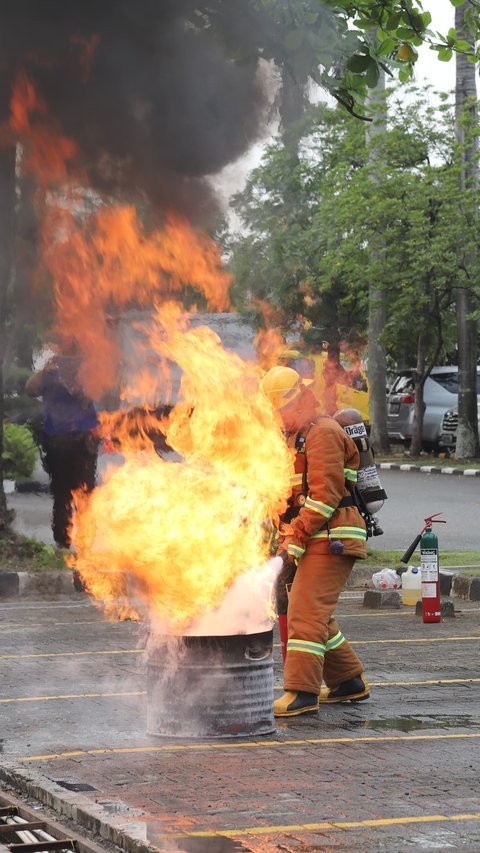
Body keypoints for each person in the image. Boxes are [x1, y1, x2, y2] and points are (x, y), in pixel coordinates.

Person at [260, 365, 370, 717]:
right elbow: (290, 497)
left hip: (333, 535)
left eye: (280, 409)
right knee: (316, 616)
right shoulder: (297, 437)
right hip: (313, 536)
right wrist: (283, 537)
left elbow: (325, 496)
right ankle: (348, 681)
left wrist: (298, 535)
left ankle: (301, 692)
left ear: (299, 402)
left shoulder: (323, 432)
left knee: (304, 613)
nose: (278, 418)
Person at [25, 345, 99, 549]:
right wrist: (45, 370)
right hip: (59, 442)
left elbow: (92, 395)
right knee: (63, 492)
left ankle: (84, 540)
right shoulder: (51, 373)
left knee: (84, 492)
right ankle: (63, 539)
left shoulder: (86, 371)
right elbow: (30, 389)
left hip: (82, 441)